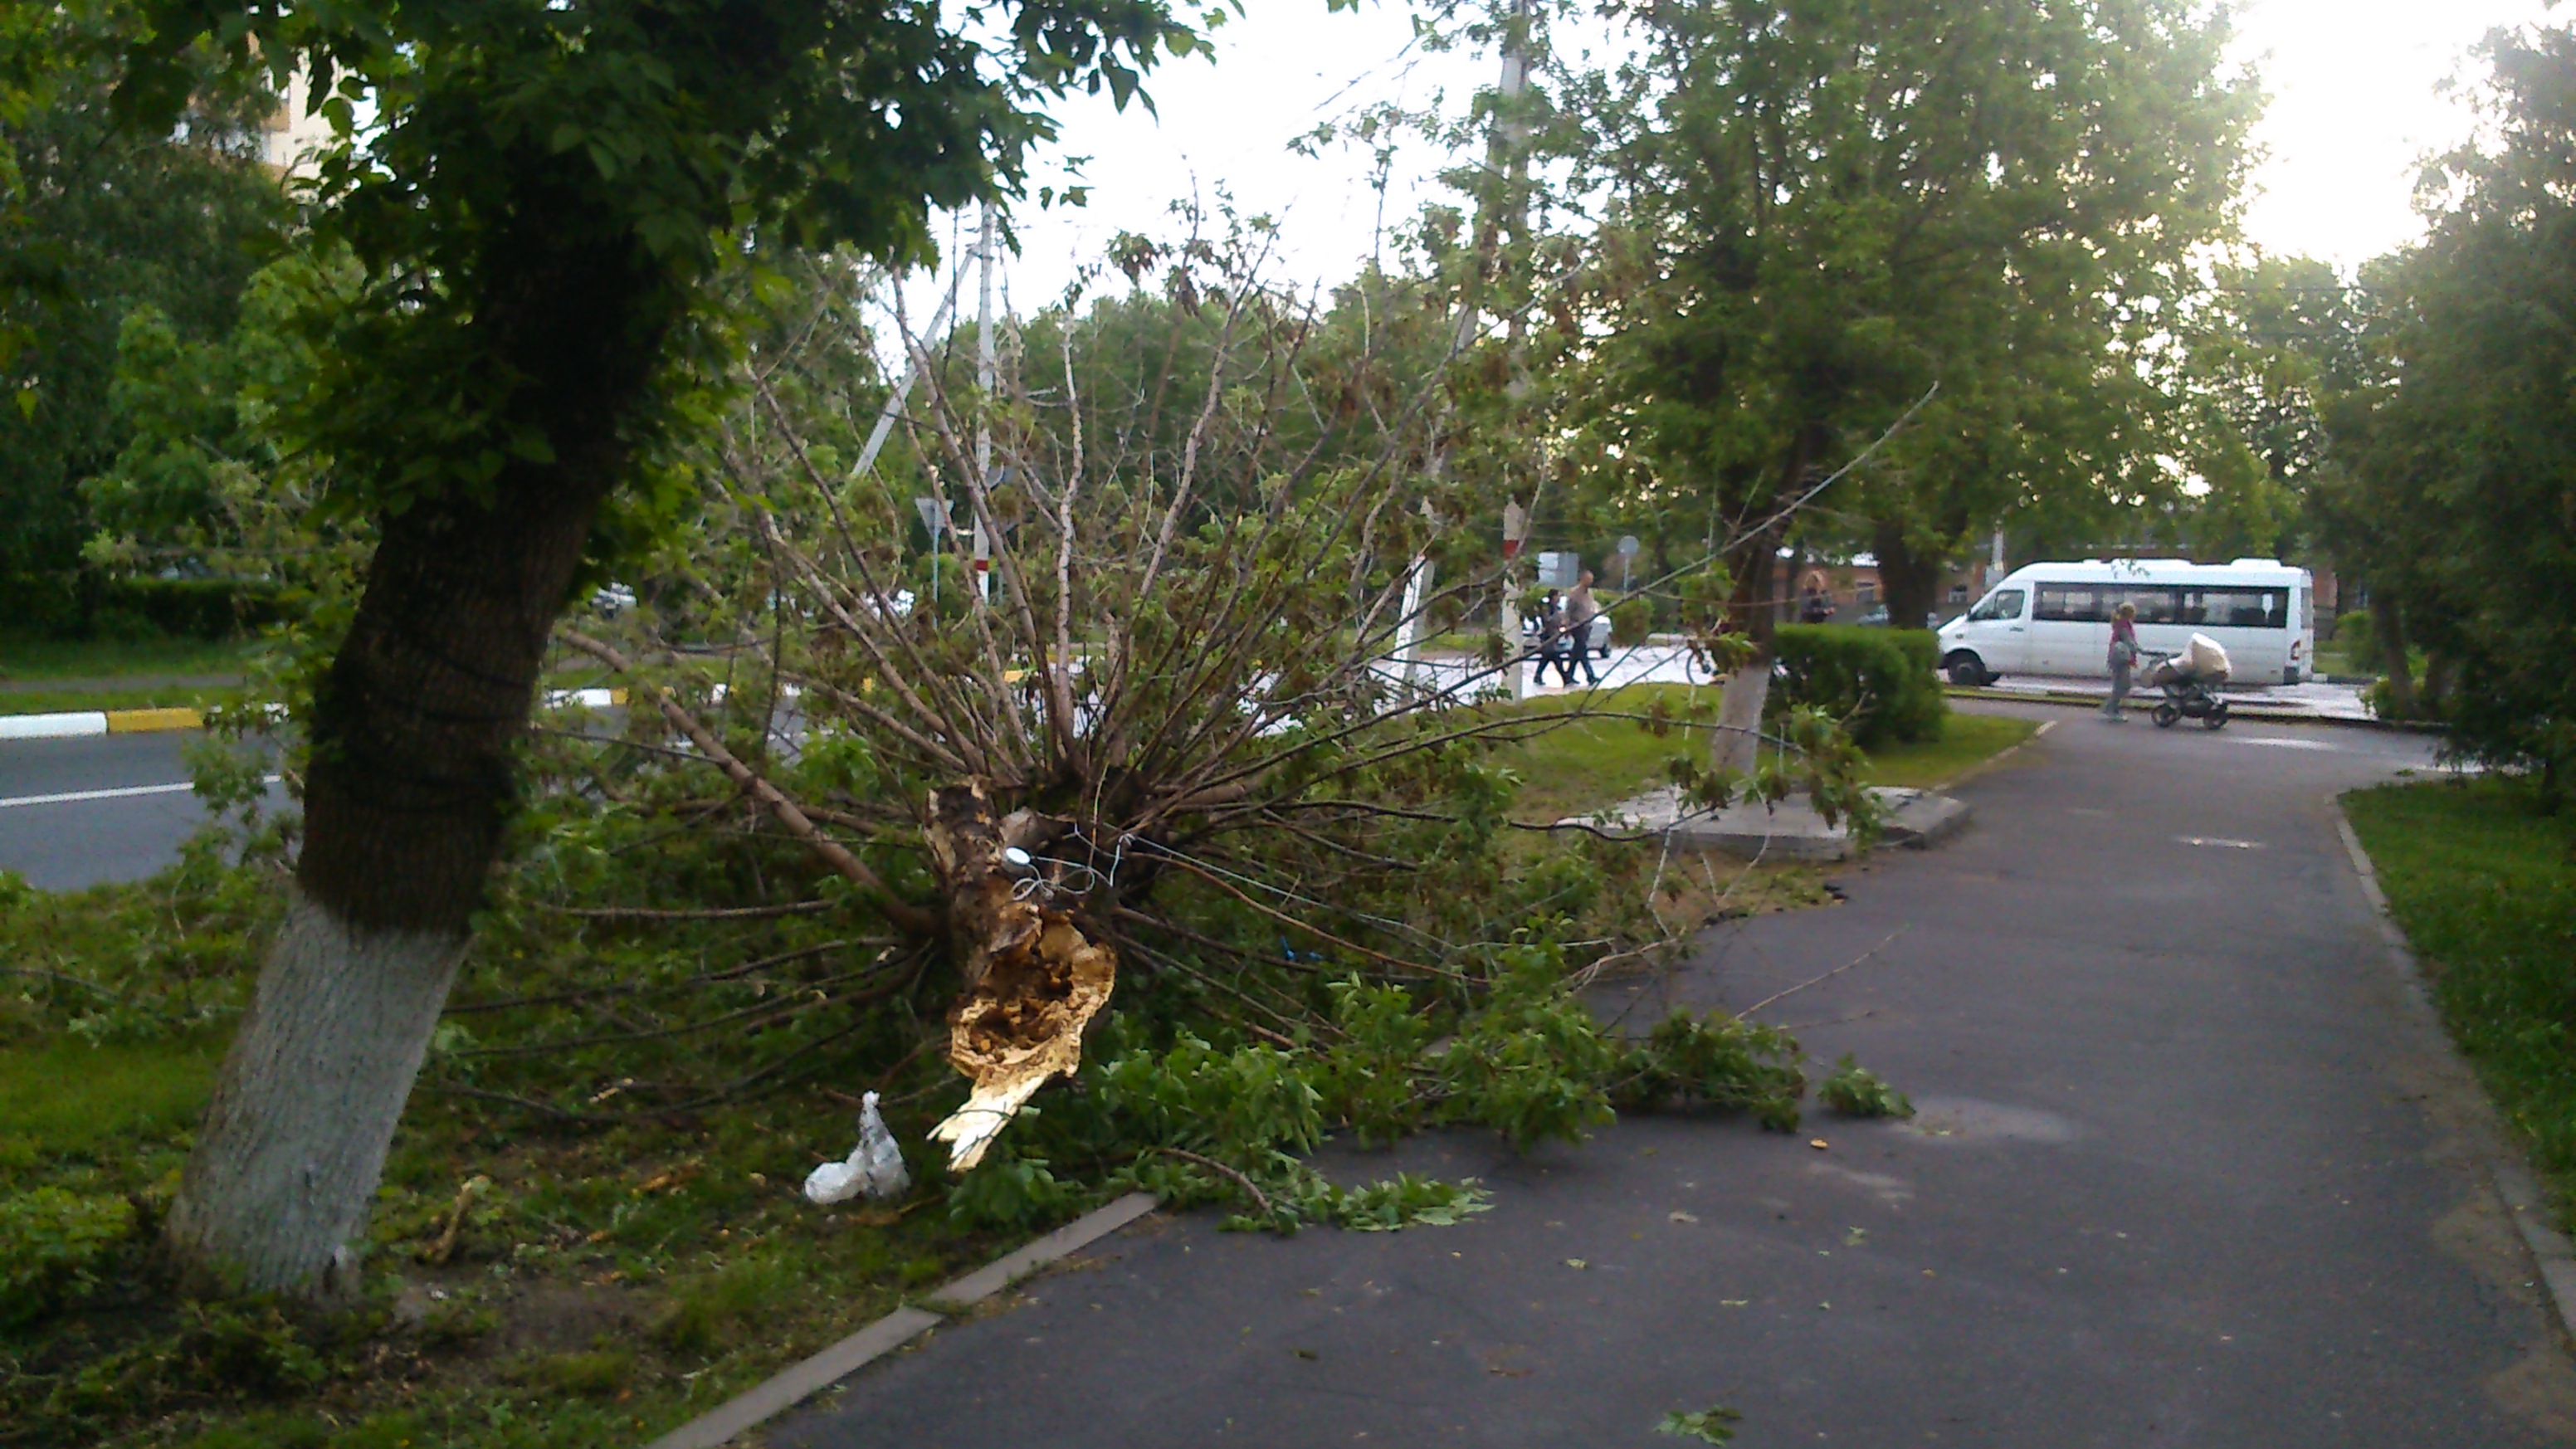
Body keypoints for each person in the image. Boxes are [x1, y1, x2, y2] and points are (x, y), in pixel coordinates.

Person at [1562, 570, 1603, 686]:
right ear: (1583, 579)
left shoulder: (1589, 593)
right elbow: (1569, 610)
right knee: (1582, 651)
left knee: (1577, 652)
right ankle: (1590, 676)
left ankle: (1568, 675)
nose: (1591, 582)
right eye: (1589, 580)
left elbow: (1591, 607)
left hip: (1587, 625)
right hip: (1577, 625)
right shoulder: (1574, 593)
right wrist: (1567, 625)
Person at [2103, 602, 2139, 720]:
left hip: (2120, 658)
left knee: (2122, 685)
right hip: (2121, 660)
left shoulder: (2121, 624)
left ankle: (2110, 708)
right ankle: (2112, 710)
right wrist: (2139, 650)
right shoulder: (2124, 625)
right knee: (2122, 686)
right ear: (2129, 613)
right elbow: (2129, 642)